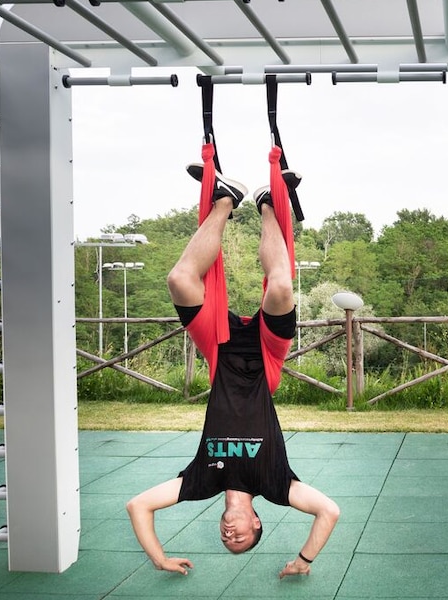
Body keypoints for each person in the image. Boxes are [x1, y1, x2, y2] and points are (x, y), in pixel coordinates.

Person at [126, 162, 339, 579]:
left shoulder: (200, 482)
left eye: (226, 541)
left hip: (219, 350)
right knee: (280, 287)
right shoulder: (275, 485)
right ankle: (268, 205)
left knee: (180, 279)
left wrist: (160, 558)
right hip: (265, 357)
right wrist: (304, 560)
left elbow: (138, 506)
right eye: (240, 539)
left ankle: (225, 198)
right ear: (257, 522)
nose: (230, 535)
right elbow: (328, 511)